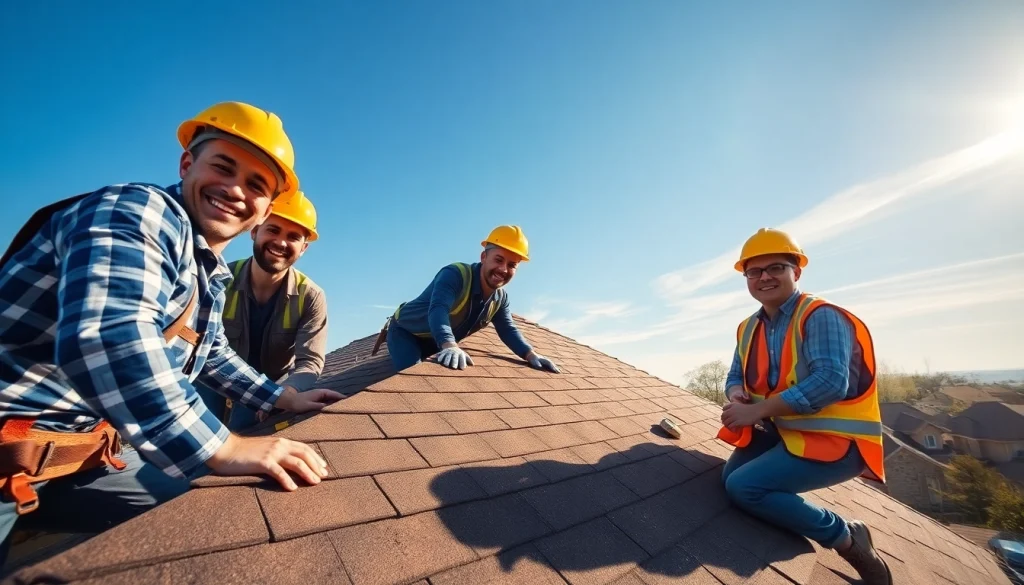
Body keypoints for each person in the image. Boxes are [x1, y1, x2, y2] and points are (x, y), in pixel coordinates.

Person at [0, 101, 342, 558]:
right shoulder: (142, 211)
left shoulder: (209, 275)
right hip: (10, 451)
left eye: (256, 184)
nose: (236, 189)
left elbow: (211, 352)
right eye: (224, 167)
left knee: (202, 518)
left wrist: (283, 398)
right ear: (187, 164)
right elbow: (110, 335)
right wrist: (223, 448)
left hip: (81, 456)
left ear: (263, 210)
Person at [716, 228, 891, 585]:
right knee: (729, 480)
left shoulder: (821, 315)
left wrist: (755, 412)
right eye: (754, 271)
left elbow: (829, 381)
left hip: (837, 443)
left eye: (776, 267)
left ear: (796, 271)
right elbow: (735, 375)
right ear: (746, 278)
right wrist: (737, 396)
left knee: (745, 488)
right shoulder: (748, 327)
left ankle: (846, 538)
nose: (764, 277)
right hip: (786, 435)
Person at [198, 191, 328, 431]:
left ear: (303, 248)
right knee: (200, 437)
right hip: (213, 376)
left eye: (293, 237)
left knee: (245, 434)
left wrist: (286, 393)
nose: (280, 242)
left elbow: (310, 362)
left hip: (272, 383)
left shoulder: (311, 296)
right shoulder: (219, 279)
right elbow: (200, 348)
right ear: (255, 231)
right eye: (273, 230)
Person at [376, 225, 559, 373]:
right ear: (483, 256)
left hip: (435, 341)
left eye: (512, 265)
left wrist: (530, 354)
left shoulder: (500, 298)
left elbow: (507, 329)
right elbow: (439, 310)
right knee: (414, 377)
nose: (503, 269)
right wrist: (449, 345)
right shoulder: (455, 275)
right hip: (407, 334)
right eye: (498, 259)